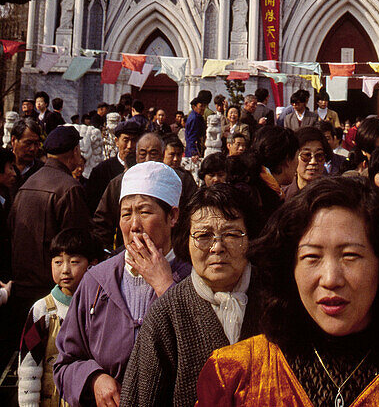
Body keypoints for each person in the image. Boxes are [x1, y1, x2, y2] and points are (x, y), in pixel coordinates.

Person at [196, 177, 379, 406]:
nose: (330, 279)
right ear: (290, 267)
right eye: (312, 257)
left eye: (350, 256)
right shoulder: (234, 375)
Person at [54, 161, 190, 406]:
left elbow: (204, 362)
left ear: (172, 216)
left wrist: (165, 286)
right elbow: (65, 363)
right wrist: (93, 378)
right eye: (126, 213)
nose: (134, 225)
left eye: (145, 212)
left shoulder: (192, 279)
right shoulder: (96, 280)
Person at [121, 185, 261, 407]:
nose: (217, 247)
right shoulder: (166, 314)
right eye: (203, 236)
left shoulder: (278, 301)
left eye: (232, 234)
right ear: (186, 241)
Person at [8, 126, 91, 341]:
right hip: (52, 294)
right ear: (75, 151)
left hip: (20, 287)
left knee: (26, 353)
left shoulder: (27, 184)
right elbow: (78, 244)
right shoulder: (69, 188)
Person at [17, 228, 99, 407]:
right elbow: (29, 364)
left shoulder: (99, 308)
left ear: (92, 264)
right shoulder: (42, 310)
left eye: (74, 261)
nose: (65, 270)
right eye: (58, 262)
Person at [93, 132, 166, 253]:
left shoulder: (177, 180)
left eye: (153, 154)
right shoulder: (120, 183)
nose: (148, 159)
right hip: (128, 251)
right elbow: (101, 223)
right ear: (136, 156)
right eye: (143, 154)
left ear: (162, 155)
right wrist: (107, 252)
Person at [87, 119, 141, 211]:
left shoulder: (142, 169)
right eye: (126, 140)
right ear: (116, 141)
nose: (130, 146)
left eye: (134, 140)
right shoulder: (101, 171)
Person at [285, 128, 333, 200]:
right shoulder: (282, 197)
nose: (313, 162)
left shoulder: (333, 197)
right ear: (294, 157)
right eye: (306, 155)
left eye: (319, 155)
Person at [162, 135, 198, 204]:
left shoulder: (186, 177)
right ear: (163, 154)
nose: (175, 159)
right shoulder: (156, 174)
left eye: (178, 155)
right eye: (172, 155)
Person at [10, 117, 43, 186]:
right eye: (28, 143)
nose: (32, 149)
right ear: (13, 140)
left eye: (36, 144)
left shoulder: (42, 171)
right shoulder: (3, 166)